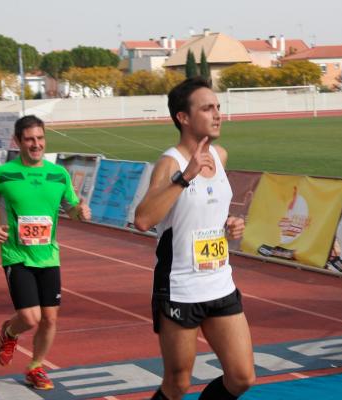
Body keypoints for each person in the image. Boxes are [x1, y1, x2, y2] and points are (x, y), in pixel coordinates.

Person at [134, 77, 255, 400]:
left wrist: (231, 226)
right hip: (180, 287)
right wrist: (184, 177)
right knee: (178, 384)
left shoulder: (221, 156)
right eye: (207, 108)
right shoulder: (169, 163)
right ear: (183, 118)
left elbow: (209, 214)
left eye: (218, 107)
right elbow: (144, 220)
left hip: (220, 282)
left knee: (242, 377)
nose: (217, 114)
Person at [0, 115, 91, 390]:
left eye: (40, 138)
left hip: (49, 256)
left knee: (50, 318)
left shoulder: (58, 174)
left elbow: (71, 209)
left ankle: (35, 366)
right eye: (29, 139)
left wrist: (80, 212)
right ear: (18, 141)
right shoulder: (2, 174)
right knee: (30, 317)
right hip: (16, 255)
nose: (36, 144)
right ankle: (10, 331)